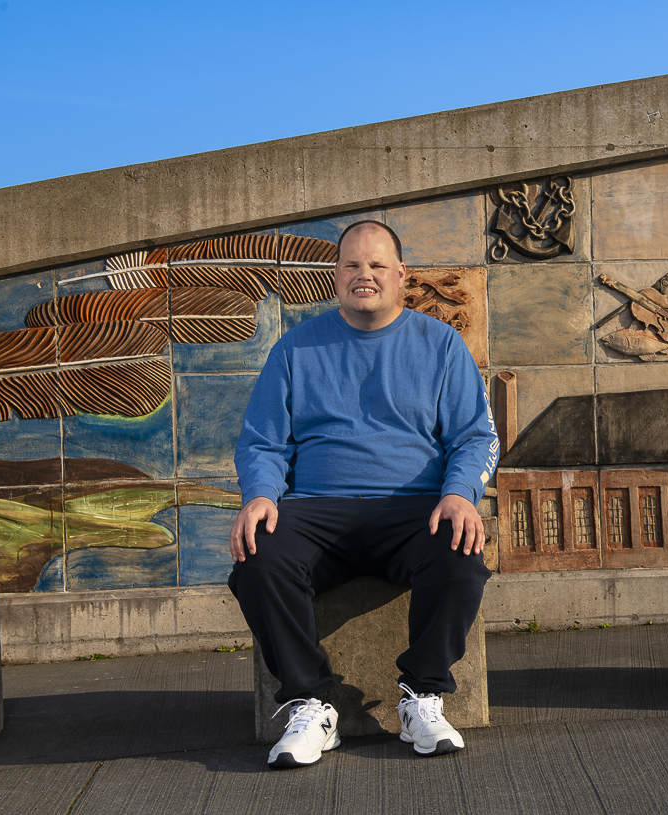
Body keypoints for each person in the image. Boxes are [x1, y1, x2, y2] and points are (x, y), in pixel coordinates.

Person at [227, 220, 498, 769]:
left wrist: (461, 493)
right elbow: (262, 441)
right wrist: (260, 494)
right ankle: (310, 703)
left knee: (460, 552)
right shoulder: (297, 348)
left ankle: (422, 695)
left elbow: (475, 436)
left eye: (376, 266)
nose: (364, 275)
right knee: (258, 556)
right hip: (316, 510)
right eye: (352, 265)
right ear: (336, 275)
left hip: (412, 510)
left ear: (400, 276)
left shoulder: (440, 344)